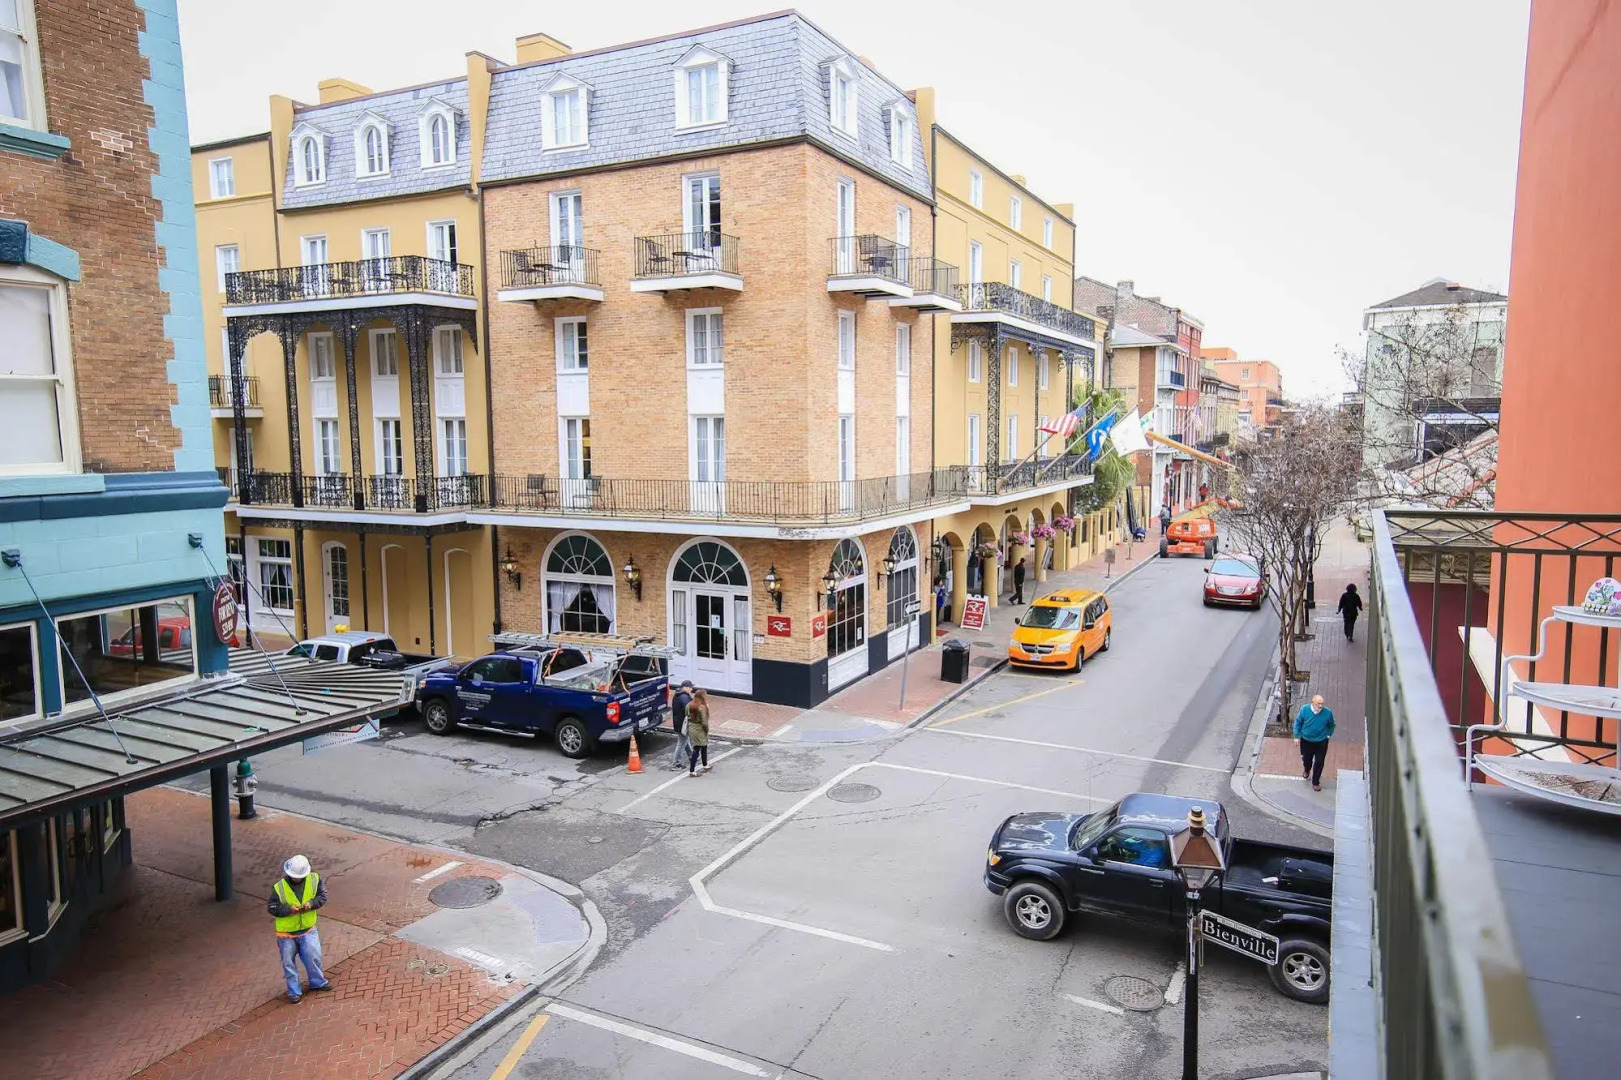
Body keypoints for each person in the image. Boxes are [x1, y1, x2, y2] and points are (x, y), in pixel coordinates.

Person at [269, 854, 331, 1003]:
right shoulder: (279, 887)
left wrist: (311, 904)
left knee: (313, 957)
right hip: (286, 933)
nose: (296, 879)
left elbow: (322, 897)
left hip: (308, 929)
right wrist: (290, 909)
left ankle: (317, 982)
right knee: (288, 964)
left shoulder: (315, 879)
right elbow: (272, 907)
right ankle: (294, 992)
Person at [1293, 694, 1336, 792]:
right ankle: (1307, 769)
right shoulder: (1304, 710)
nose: (1320, 706)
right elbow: (1298, 722)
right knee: (1306, 759)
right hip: (1306, 741)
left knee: (1319, 762)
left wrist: (1328, 734)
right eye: (1318, 704)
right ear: (1313, 702)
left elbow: (1332, 725)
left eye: (1322, 704)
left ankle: (1315, 782)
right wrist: (1296, 736)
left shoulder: (1328, 712)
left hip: (1321, 742)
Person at [669, 680, 694, 769]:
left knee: (684, 740)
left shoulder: (678, 694)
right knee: (681, 742)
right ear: (686, 687)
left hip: (678, 722)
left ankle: (692, 756)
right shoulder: (684, 697)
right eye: (690, 687)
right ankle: (676, 764)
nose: (691, 689)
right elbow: (689, 709)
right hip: (683, 724)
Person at [686, 687, 711, 776]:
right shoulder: (702, 707)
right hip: (700, 729)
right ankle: (692, 771)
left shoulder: (690, 705)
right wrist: (706, 730)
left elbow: (686, 715)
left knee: (702, 746)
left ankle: (705, 765)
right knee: (697, 749)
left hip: (692, 728)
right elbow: (704, 723)